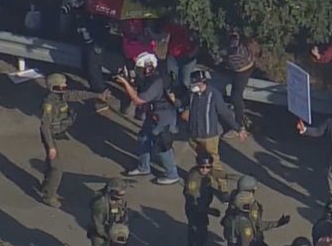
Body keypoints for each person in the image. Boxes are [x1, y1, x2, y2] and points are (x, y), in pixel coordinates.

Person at [38, 73, 109, 207]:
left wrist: (96, 95)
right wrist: (51, 146)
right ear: (55, 87)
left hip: (59, 134)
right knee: (57, 168)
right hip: (52, 136)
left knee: (51, 164)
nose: (65, 86)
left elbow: (77, 95)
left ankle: (46, 187)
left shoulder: (60, 96)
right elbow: (45, 126)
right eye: (62, 84)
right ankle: (49, 196)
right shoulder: (48, 104)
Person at [115, 51, 181, 185]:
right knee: (143, 138)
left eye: (139, 68)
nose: (137, 71)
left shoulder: (156, 82)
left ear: (148, 67)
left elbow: (138, 99)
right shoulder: (150, 78)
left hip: (164, 117)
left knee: (162, 145)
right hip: (154, 114)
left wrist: (124, 83)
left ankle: (172, 174)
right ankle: (144, 166)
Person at [183, 68, 246, 187]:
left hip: (209, 137)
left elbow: (224, 113)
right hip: (194, 134)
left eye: (195, 83)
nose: (193, 86)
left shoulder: (214, 94)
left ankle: (223, 188)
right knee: (200, 162)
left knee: (214, 163)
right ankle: (204, 182)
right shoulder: (192, 94)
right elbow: (184, 105)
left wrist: (238, 128)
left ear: (202, 83)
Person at [216, 29, 261, 127]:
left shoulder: (239, 50)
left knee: (236, 97)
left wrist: (223, 58)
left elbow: (227, 56)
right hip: (238, 69)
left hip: (244, 71)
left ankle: (239, 123)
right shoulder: (232, 46)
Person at [183, 152, 219, 246]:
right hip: (195, 211)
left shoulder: (205, 175)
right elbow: (192, 198)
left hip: (202, 209)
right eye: (202, 167)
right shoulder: (193, 178)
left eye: (208, 167)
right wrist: (209, 211)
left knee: (201, 235)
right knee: (196, 236)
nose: (204, 170)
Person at [87, 178, 129, 246]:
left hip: (109, 228)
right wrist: (107, 236)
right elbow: (98, 223)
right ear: (111, 191)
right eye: (119, 193)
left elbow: (115, 215)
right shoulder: (99, 203)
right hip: (98, 233)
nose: (121, 197)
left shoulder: (115, 200)